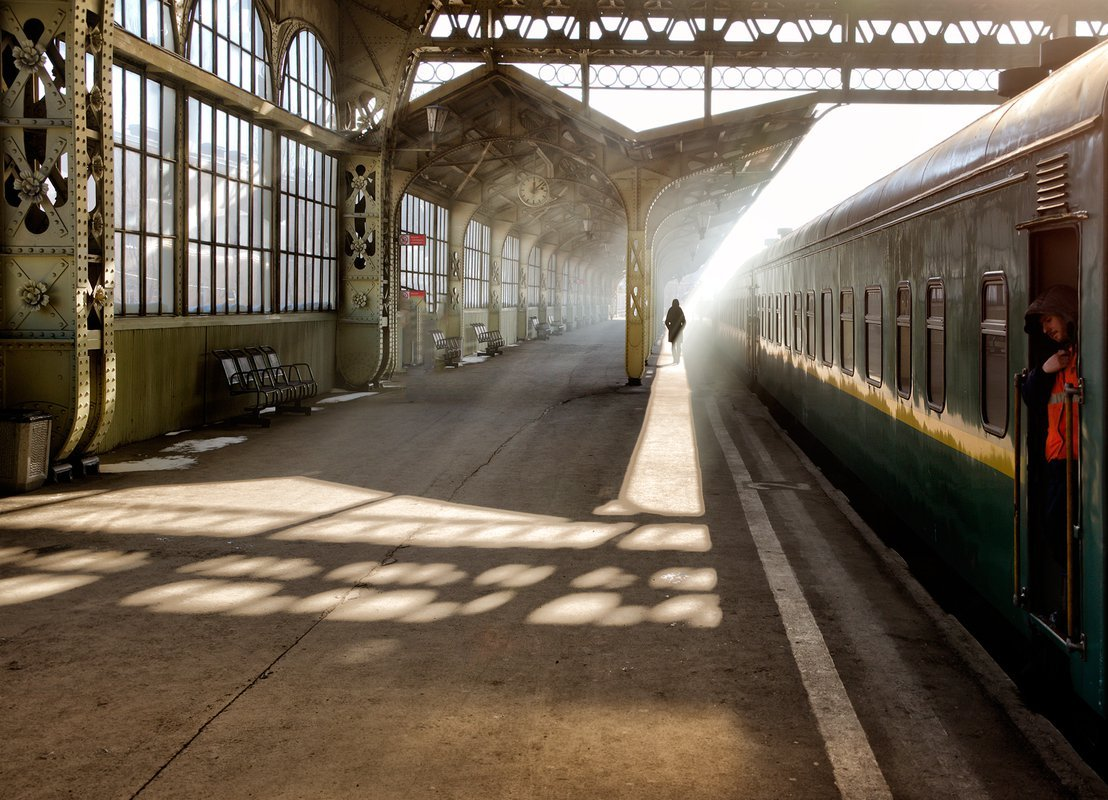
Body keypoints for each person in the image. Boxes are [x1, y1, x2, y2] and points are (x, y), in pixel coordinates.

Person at [1022, 284, 1080, 625]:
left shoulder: (1083, 358)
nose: (1046, 329)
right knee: (1057, 534)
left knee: (1065, 536)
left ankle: (1071, 611)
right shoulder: (1057, 359)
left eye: (1049, 320)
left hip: (1078, 462)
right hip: (1058, 460)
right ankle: (1067, 607)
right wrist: (1046, 369)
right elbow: (1031, 396)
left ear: (1067, 314)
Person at [664, 298, 686, 364]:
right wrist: (681, 328)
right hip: (679, 331)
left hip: (672, 330)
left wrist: (669, 328)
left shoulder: (670, 310)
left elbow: (666, 321)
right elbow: (684, 321)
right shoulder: (680, 310)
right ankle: (678, 359)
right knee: (679, 346)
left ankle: (674, 359)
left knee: (673, 346)